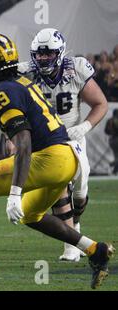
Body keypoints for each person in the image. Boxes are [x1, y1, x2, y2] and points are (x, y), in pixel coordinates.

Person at [0, 33, 114, 289]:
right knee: (32, 215)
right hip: (67, 158)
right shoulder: (20, 81)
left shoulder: (3, 91)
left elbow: (23, 143)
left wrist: (14, 193)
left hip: (48, 158)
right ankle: (94, 250)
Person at [20, 28, 108, 261]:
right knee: (58, 186)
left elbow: (100, 103)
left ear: (59, 52)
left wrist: (84, 127)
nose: (42, 58)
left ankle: (75, 226)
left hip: (73, 138)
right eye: (38, 54)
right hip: (46, 140)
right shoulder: (25, 73)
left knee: (79, 194)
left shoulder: (76, 68)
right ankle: (71, 246)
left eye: (48, 53)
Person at [104, 109, 118, 174]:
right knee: (116, 157)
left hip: (111, 140)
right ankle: (112, 167)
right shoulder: (116, 121)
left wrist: (111, 133)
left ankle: (114, 169)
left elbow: (106, 131)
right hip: (116, 139)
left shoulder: (109, 120)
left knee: (116, 156)